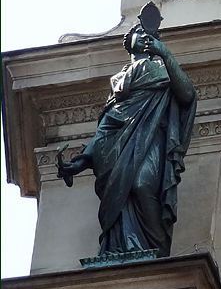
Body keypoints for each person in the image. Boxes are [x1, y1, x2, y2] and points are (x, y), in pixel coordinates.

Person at [57, 17, 196, 257]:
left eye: (149, 34)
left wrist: (164, 53)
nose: (144, 36)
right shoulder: (119, 81)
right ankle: (121, 250)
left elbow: (187, 94)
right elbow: (107, 126)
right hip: (113, 148)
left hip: (148, 137)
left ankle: (157, 250)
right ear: (128, 42)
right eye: (138, 32)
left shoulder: (163, 71)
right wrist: (81, 161)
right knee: (122, 201)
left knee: (142, 184)